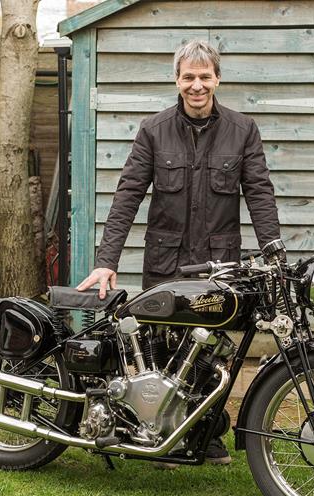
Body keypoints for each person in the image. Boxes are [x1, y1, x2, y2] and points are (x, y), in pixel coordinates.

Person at [77, 40, 282, 465]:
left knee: (212, 350)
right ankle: (159, 430)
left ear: (217, 79)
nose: (197, 85)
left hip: (218, 264)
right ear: (177, 80)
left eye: (204, 76)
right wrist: (105, 262)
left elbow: (260, 194)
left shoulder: (243, 130)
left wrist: (273, 253)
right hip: (166, 263)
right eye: (188, 77)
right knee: (165, 349)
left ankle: (205, 433)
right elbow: (128, 194)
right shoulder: (154, 130)